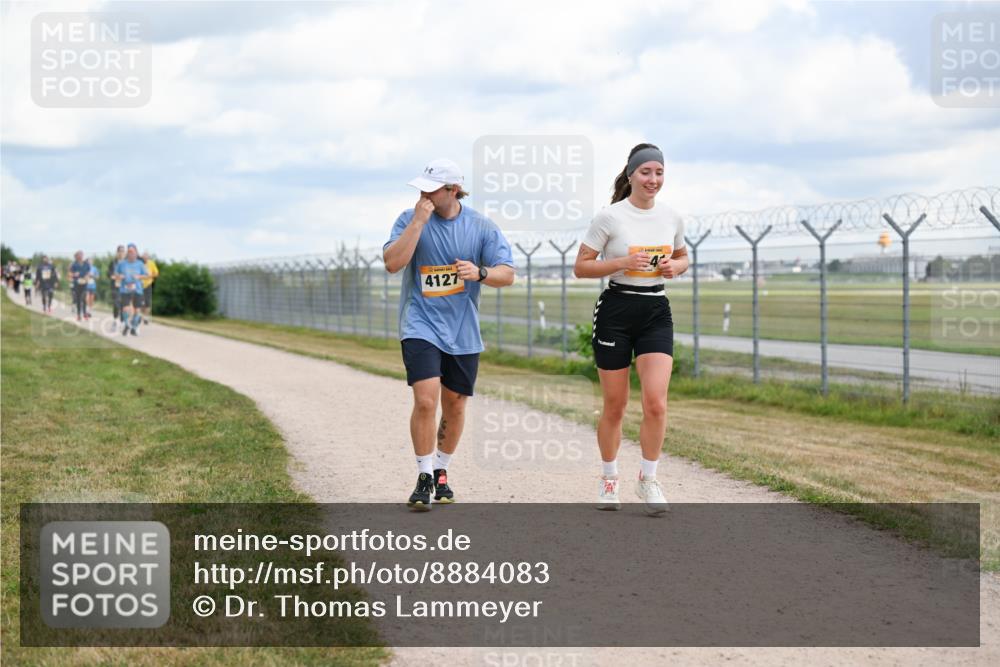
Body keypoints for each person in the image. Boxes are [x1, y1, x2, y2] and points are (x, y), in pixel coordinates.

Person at [383, 159, 516, 510]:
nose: (424, 194)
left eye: (432, 189)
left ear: (452, 191)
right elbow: (392, 263)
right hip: (420, 324)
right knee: (426, 400)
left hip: (462, 330)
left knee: (455, 406)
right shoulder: (409, 219)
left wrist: (481, 271)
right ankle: (424, 475)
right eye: (421, 188)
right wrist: (418, 222)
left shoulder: (481, 227)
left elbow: (508, 274)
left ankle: (442, 470)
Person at [573, 143, 689, 515]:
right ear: (630, 174)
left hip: (656, 308)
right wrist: (623, 262)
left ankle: (648, 480)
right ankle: (609, 480)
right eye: (645, 172)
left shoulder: (671, 217)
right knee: (616, 405)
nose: (652, 180)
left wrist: (677, 267)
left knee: (656, 403)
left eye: (658, 172)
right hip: (616, 310)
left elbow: (683, 256)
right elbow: (581, 267)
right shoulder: (610, 217)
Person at [113, 244, 148, 336]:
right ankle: (127, 324)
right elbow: (115, 274)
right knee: (125, 309)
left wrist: (139, 276)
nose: (131, 254)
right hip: (125, 290)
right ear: (127, 254)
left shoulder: (140, 264)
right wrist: (119, 276)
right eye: (129, 252)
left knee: (137, 311)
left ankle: (133, 326)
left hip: (138, 290)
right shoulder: (121, 264)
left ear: (136, 254)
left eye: (133, 252)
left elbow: (146, 275)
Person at [68, 251, 91, 321]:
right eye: (79, 255)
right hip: (77, 284)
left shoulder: (86, 264)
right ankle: (78, 315)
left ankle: (84, 314)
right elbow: (69, 274)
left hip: (84, 283)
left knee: (84, 298)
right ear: (76, 256)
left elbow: (88, 272)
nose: (80, 256)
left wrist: (87, 277)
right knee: (78, 299)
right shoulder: (73, 264)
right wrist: (74, 274)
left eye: (81, 255)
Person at [108, 246, 125, 332]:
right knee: (116, 303)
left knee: (123, 305)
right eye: (120, 251)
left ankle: (122, 322)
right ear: (117, 252)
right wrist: (114, 276)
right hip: (115, 286)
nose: (121, 253)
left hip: (125, 287)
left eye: (123, 251)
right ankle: (115, 321)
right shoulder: (113, 263)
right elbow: (109, 274)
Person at [140, 251, 158, 324]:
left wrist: (149, 276)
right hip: (139, 285)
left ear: (148, 257)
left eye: (146, 256)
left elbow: (156, 274)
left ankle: (146, 318)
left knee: (147, 302)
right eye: (144, 256)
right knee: (140, 302)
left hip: (148, 285)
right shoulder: (139, 263)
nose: (145, 258)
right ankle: (140, 316)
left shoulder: (151, 263)